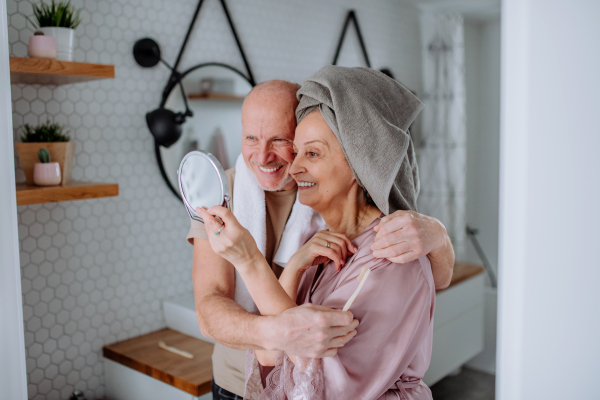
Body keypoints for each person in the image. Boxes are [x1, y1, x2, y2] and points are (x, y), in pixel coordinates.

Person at [187, 78, 453, 399]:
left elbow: (427, 280)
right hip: (237, 379)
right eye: (250, 137)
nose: (263, 155)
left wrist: (439, 238)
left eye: (287, 142)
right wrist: (275, 331)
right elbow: (211, 309)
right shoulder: (222, 197)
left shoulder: (346, 220)